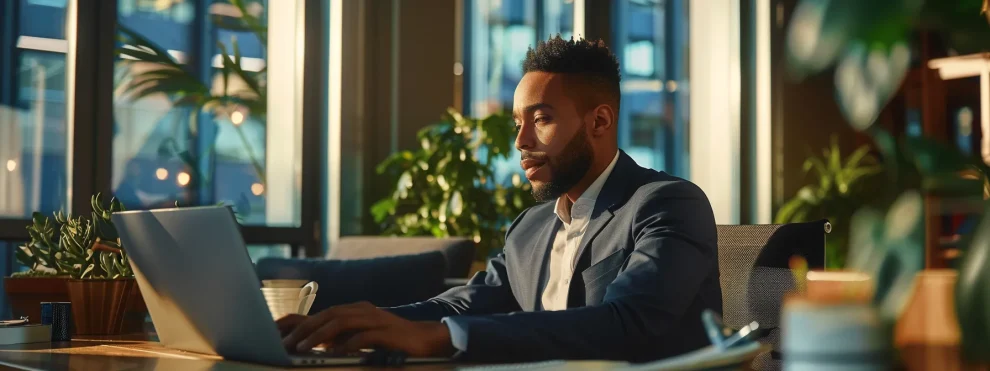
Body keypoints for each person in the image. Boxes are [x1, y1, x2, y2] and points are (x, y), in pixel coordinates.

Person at [277, 36, 721, 363]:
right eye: (516, 124)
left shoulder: (667, 204)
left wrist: (444, 337)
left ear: (600, 121)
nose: (521, 141)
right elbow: (465, 304)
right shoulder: (530, 227)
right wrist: (359, 321)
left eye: (541, 119)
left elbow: (626, 323)